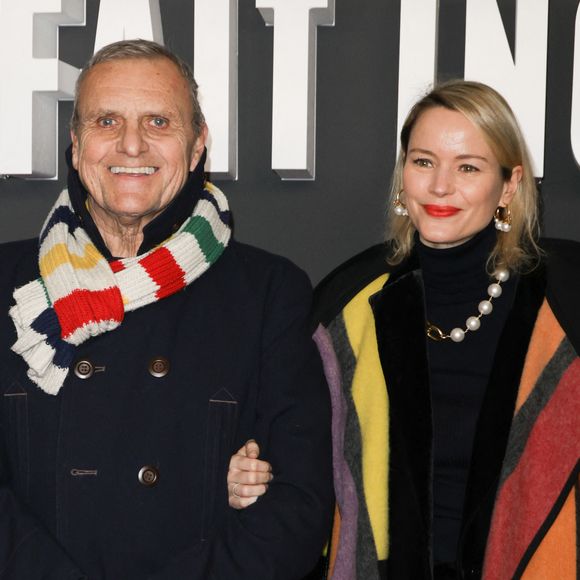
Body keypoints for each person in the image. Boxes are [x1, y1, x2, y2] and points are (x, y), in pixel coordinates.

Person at [0, 39, 333, 579]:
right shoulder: (8, 287)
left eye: (158, 122)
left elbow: (297, 507)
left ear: (198, 144)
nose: (131, 145)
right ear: (76, 142)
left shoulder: (268, 294)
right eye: (106, 121)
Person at [233, 80, 580, 579]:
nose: (440, 186)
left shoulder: (565, 302)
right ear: (403, 176)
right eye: (423, 162)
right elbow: (289, 464)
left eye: (468, 167)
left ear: (509, 184)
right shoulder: (347, 306)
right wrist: (244, 474)